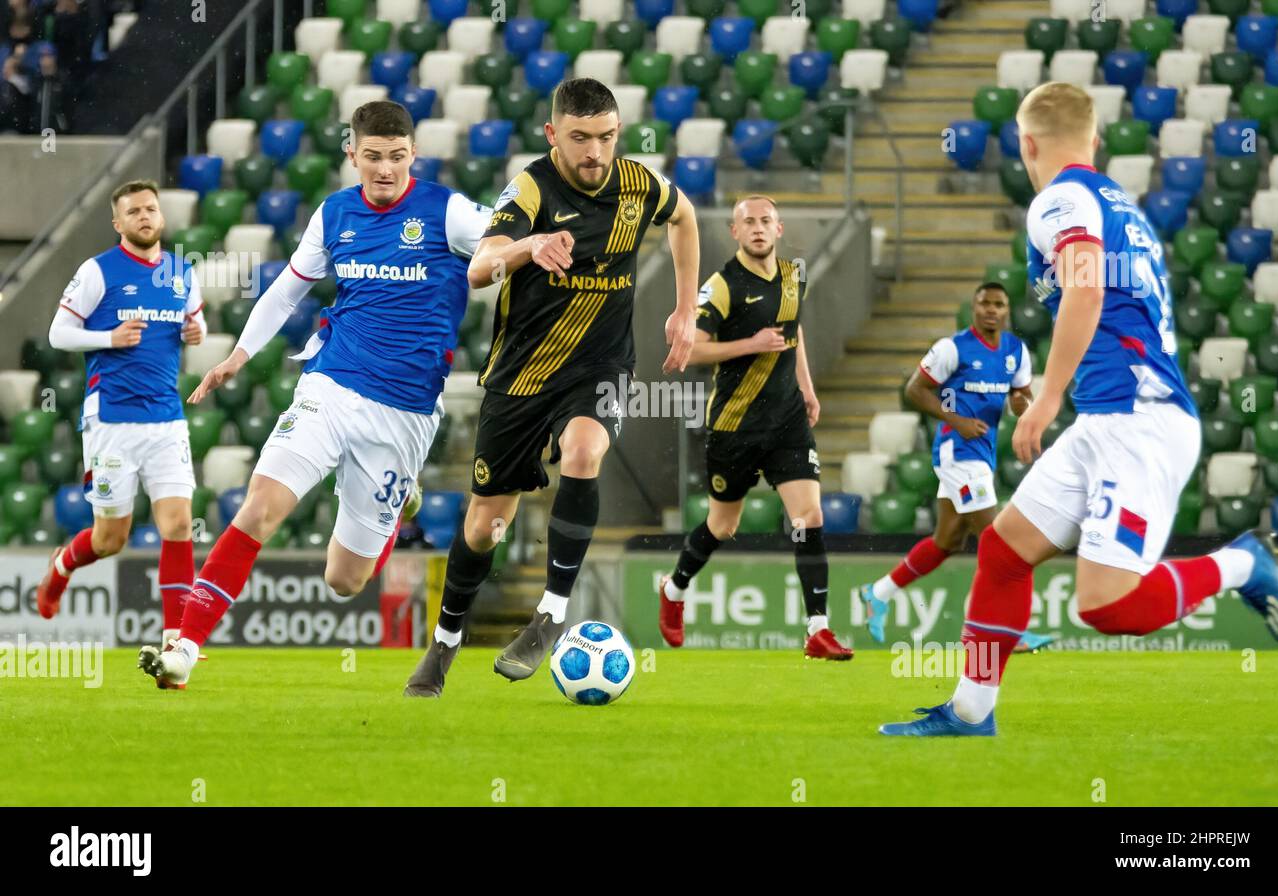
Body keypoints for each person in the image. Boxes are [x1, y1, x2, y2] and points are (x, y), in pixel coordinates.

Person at [880, 82, 1278, 737]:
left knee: (1105, 605)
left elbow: (1086, 289)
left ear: (1026, 144)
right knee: (1003, 552)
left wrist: (1043, 400)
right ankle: (969, 712)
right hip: (1109, 419)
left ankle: (1241, 564)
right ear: (1095, 140)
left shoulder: (1060, 200)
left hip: (1140, 422)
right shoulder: (1115, 203)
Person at [139, 100, 492, 690]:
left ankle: (398, 508)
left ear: (415, 156)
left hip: (404, 414)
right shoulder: (334, 215)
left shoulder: (447, 212)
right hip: (329, 384)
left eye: (397, 157)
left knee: (345, 580)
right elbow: (284, 294)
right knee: (260, 506)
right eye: (373, 156)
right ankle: (184, 646)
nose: (385, 169)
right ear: (352, 154)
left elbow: (511, 238)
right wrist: (237, 355)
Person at [402, 77, 698, 697]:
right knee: (485, 525)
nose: (596, 152)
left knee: (585, 453)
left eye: (607, 137)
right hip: (522, 375)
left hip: (600, 367)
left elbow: (685, 217)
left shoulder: (640, 184)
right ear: (553, 134)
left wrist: (684, 310)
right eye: (581, 138)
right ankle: (445, 643)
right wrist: (529, 245)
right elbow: (480, 267)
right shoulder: (531, 187)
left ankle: (552, 612)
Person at [657, 195, 853, 659]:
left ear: (780, 229)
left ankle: (817, 629)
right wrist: (750, 344)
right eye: (749, 222)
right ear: (735, 231)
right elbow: (694, 350)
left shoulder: (794, 275)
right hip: (734, 424)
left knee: (809, 519)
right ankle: (675, 589)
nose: (759, 228)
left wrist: (807, 388)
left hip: (786, 422)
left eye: (766, 221)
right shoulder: (720, 286)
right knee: (723, 526)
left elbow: (794, 332)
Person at [37, 179, 206, 652]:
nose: (145, 217)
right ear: (118, 223)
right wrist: (109, 338)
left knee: (177, 524)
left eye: (150, 209)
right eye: (133, 212)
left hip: (167, 419)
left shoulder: (180, 272)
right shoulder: (97, 271)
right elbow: (58, 334)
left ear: (161, 216)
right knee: (112, 538)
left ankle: (175, 644)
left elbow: (196, 320)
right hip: (111, 419)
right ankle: (62, 566)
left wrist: (196, 332)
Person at [857, 282, 1032, 642]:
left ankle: (879, 593)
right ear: (974, 307)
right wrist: (956, 420)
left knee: (947, 540)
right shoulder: (952, 348)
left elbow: (1021, 393)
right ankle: (1000, 628)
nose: (991, 310)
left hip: (982, 455)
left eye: (999, 304)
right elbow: (914, 389)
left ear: (1006, 311)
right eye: (985, 303)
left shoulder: (1016, 351)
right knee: (998, 541)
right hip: (957, 452)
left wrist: (1020, 405)